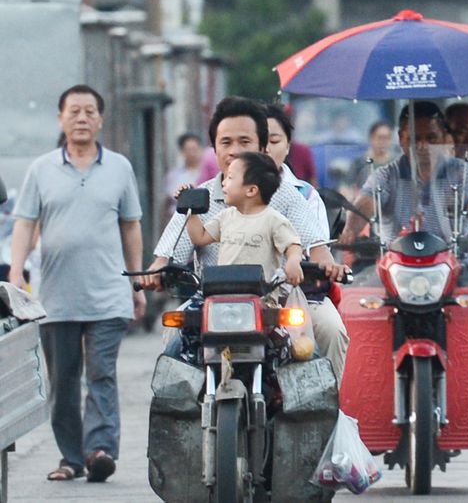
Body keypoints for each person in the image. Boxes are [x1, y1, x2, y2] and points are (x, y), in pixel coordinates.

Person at [139, 97, 350, 382]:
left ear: (263, 148)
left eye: (244, 142)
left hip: (279, 302)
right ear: (213, 149)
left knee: (329, 328)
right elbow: (167, 255)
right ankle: (185, 417)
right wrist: (156, 272)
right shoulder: (198, 198)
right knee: (174, 335)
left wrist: (327, 266)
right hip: (211, 302)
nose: (235, 152)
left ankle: (323, 417)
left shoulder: (288, 196)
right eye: (225, 143)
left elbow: (317, 250)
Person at [9, 85, 143, 483]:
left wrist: (135, 283)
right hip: (56, 296)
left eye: (89, 111)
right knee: (63, 380)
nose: (82, 118)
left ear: (100, 120)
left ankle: (100, 450)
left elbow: (131, 226)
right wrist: (16, 272)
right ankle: (72, 457)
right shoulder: (41, 169)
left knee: (101, 373)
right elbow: (25, 223)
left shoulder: (120, 168)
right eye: (74, 111)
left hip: (108, 292)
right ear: (61, 119)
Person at [340, 101, 468, 246]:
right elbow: (367, 201)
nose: (422, 146)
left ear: (443, 138)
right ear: (401, 139)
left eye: (431, 138)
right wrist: (350, 231)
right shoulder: (386, 175)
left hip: (454, 262)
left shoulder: (463, 173)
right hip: (397, 265)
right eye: (415, 139)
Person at [182, 151, 303, 286]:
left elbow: (292, 245)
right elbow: (199, 237)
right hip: (223, 294)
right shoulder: (226, 216)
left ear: (251, 190)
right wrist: (190, 208)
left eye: (230, 177)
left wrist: (293, 261)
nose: (223, 183)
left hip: (261, 298)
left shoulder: (273, 219)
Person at [263, 103, 331, 237]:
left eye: (274, 141)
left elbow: (318, 249)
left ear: (287, 146)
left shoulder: (306, 196)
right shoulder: (227, 192)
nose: (266, 149)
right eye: (259, 141)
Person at [162, 133, 204, 229]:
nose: (192, 153)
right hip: (178, 225)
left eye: (195, 149)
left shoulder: (206, 173)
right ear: (182, 151)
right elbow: (167, 202)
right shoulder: (173, 175)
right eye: (188, 150)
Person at [351, 119, 396, 191]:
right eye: (380, 138)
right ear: (371, 138)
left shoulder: (398, 163)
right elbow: (345, 187)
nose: (384, 142)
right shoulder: (359, 163)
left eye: (387, 138)